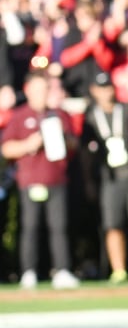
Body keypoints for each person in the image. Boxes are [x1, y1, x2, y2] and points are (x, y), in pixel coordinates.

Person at [1, 69, 79, 289]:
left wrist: (61, 137)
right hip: (30, 180)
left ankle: (62, 269)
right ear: (28, 90)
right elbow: (6, 148)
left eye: (45, 89)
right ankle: (28, 271)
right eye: (37, 89)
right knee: (30, 226)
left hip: (56, 178)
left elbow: (74, 146)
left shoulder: (59, 115)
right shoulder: (19, 116)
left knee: (59, 226)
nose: (42, 94)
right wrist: (29, 145)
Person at [80, 71, 128, 283]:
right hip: (109, 176)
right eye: (101, 88)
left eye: (109, 87)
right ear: (94, 91)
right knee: (113, 223)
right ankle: (119, 268)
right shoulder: (91, 117)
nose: (106, 92)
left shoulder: (127, 110)